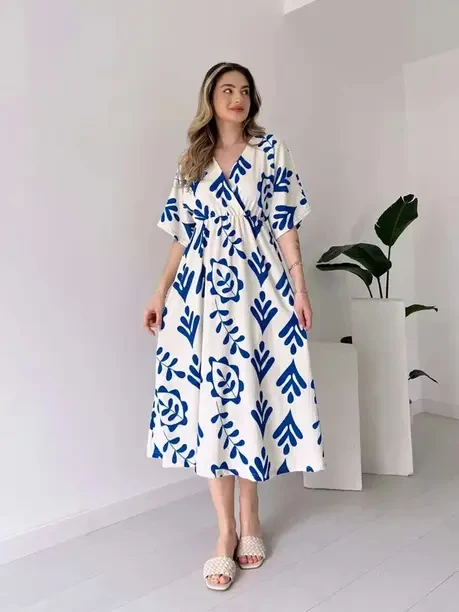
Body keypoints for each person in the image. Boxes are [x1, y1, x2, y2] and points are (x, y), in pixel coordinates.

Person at [143, 62, 325, 591]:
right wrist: (159, 292)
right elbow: (181, 236)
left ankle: (252, 520)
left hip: (257, 293)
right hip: (199, 299)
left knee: (251, 398)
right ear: (211, 99)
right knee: (212, 406)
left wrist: (300, 290)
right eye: (227, 89)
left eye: (245, 90)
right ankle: (225, 532)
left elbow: (286, 227)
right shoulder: (192, 161)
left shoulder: (271, 152)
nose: (237, 97)